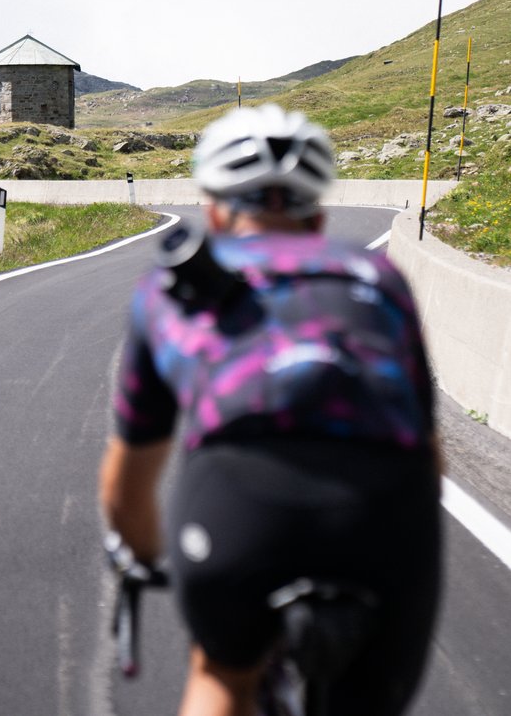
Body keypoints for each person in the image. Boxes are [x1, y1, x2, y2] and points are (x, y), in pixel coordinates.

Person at [99, 104, 442, 716]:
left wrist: (143, 553)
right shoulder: (380, 275)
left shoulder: (167, 288)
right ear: (318, 214)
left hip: (237, 504)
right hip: (383, 505)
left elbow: (132, 470)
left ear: (213, 208)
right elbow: (430, 449)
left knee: (222, 676)